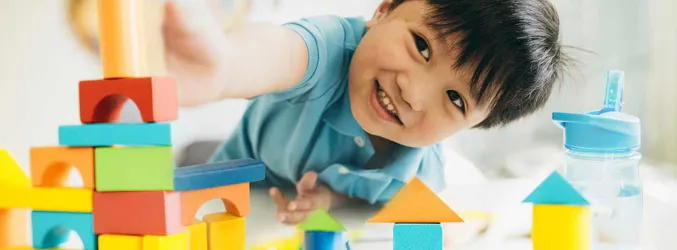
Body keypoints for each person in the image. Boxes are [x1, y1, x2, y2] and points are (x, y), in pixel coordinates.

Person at [162, 0, 568, 225]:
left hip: (296, 185)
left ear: (475, 125)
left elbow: (375, 194)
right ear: (384, 10)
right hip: (249, 159)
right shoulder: (332, 47)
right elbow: (281, 51)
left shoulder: (419, 177)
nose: (414, 93)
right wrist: (224, 65)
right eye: (422, 46)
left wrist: (331, 196)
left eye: (456, 99)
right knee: (188, 170)